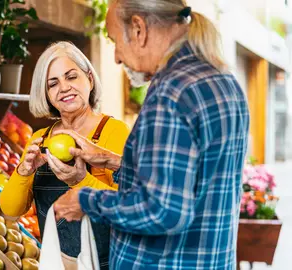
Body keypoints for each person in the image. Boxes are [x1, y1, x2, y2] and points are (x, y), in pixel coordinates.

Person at [52, 1, 250, 269]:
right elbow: (190, 180)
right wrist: (111, 160)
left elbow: (163, 210)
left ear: (138, 29)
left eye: (114, 42)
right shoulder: (224, 81)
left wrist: (84, 200)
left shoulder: (171, 92)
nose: (117, 58)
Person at [0, 41, 130, 269]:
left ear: (89, 78)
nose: (64, 87)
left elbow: (129, 209)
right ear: (46, 93)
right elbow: (11, 210)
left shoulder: (114, 132)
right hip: (56, 261)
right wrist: (23, 172)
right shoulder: (41, 138)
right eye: (53, 83)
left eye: (71, 77)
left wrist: (81, 181)